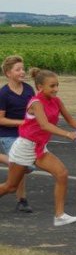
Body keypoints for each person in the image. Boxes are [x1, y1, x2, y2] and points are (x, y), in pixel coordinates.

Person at [0, 67, 76, 226]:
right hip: (24, 147)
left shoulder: (56, 101)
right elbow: (44, 125)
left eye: (57, 85)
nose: (56, 89)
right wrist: (68, 134)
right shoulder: (36, 103)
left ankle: (59, 216)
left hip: (39, 147)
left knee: (62, 174)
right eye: (52, 86)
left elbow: (70, 120)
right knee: (11, 187)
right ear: (40, 87)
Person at [0, 55, 35, 212]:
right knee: (22, 165)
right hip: (8, 135)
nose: (22, 72)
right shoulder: (3, 94)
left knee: (23, 167)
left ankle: (21, 200)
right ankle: (22, 199)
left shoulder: (28, 90)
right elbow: (1, 120)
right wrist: (23, 123)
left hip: (26, 135)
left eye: (23, 68)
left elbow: (34, 110)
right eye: (18, 69)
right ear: (8, 73)